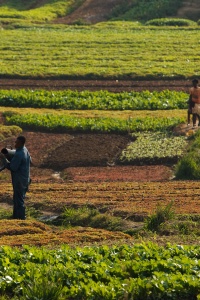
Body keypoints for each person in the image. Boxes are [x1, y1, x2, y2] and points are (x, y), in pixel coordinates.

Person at [1, 136, 31, 220]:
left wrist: (4, 159)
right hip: (25, 179)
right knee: (18, 198)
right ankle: (16, 217)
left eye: (17, 142)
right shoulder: (25, 150)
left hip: (19, 180)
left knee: (19, 200)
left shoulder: (19, 154)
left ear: (21, 143)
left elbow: (13, 167)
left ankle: (21, 218)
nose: (15, 144)